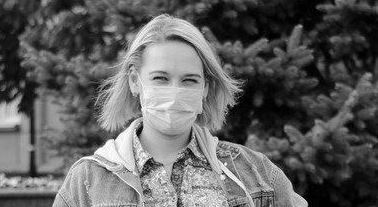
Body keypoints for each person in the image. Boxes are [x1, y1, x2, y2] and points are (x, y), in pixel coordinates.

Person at [53, 14, 308, 207]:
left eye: (189, 80)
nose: (175, 92)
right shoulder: (88, 181)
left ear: (205, 88)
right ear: (134, 81)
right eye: (161, 78)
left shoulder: (256, 174)